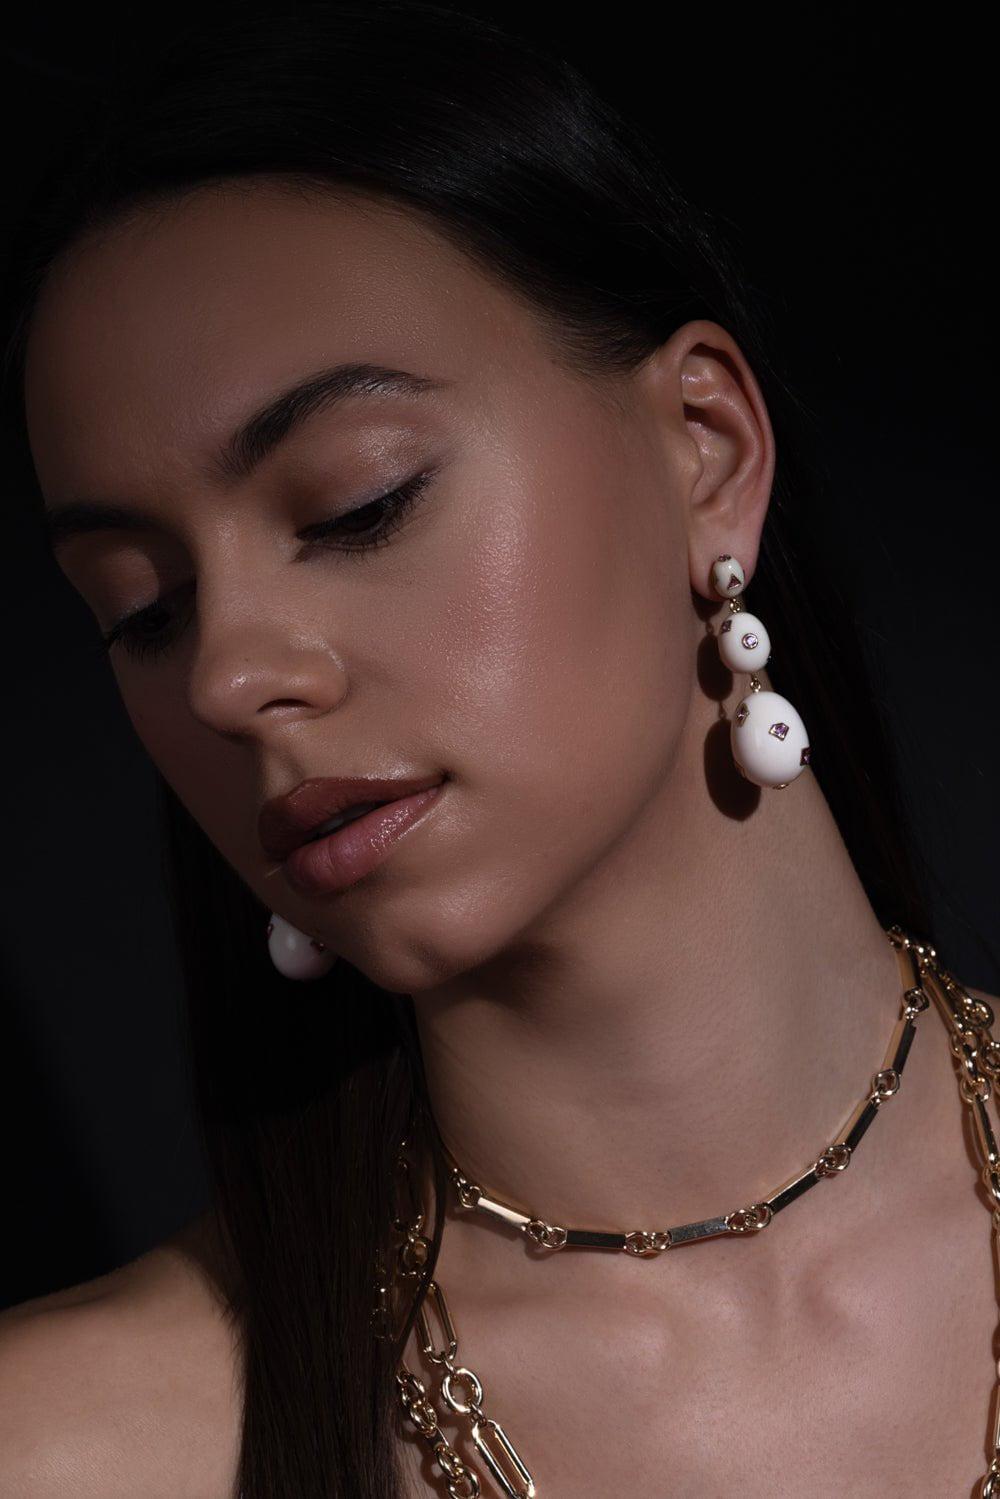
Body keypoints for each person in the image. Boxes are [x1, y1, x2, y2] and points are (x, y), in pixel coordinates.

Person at [0, 4, 995, 1495]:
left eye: (358, 504)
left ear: (706, 451)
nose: (228, 675)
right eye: (143, 609)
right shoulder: (76, 1448)